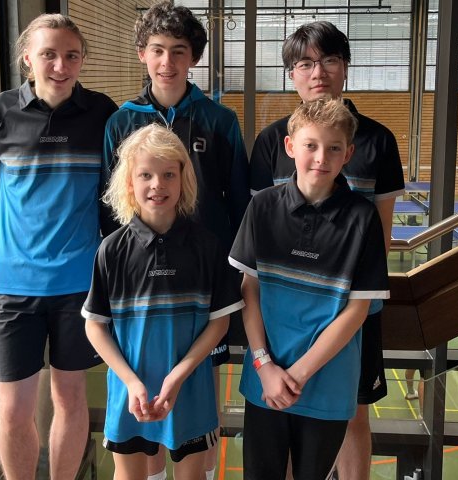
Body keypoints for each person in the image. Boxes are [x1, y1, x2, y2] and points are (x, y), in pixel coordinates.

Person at [249, 21, 405, 480]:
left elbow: (381, 231)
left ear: (345, 68)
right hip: (285, 313)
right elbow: (260, 231)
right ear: (291, 75)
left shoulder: (378, 140)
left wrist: (355, 300)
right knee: (285, 407)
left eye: (329, 61)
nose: (318, 73)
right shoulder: (270, 141)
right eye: (305, 64)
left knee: (353, 412)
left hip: (350, 308)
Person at [0, 14, 117, 480]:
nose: (60, 65)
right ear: (27, 58)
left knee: (70, 398)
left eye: (71, 55)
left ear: (82, 60)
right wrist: (8, 217)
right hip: (13, 286)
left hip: (79, 284)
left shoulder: (102, 112)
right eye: (48, 54)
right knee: (14, 408)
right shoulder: (0, 110)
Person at [101, 3, 250, 478]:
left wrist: (232, 274)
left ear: (194, 58)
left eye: (179, 51)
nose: (167, 61)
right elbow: (110, 206)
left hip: (202, 281)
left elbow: (239, 202)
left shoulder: (219, 119)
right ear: (142, 54)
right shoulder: (120, 122)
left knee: (198, 393)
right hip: (140, 288)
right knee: (143, 390)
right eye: (158, 50)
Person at [230, 98, 390, 480]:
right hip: (264, 380)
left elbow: (357, 311)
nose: (321, 157)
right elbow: (249, 290)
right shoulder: (262, 206)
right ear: (290, 147)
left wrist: (298, 374)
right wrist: (264, 365)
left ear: (348, 154)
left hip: (327, 387)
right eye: (311, 145)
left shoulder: (362, 217)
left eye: (334, 148)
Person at [83, 124, 244, 480]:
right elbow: (95, 327)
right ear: (129, 183)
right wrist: (131, 381)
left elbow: (219, 323)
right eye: (146, 175)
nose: (158, 184)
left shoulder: (206, 247)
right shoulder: (111, 250)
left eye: (169, 174)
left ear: (184, 180)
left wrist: (178, 376)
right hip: (130, 392)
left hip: (190, 390)